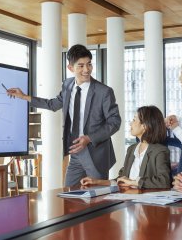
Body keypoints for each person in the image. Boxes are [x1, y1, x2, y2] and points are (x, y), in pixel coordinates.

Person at [7, 44, 121, 187]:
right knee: (69, 195)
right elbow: (53, 104)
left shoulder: (104, 91)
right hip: (75, 153)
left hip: (95, 153)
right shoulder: (67, 86)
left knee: (98, 197)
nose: (87, 70)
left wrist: (89, 138)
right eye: (81, 66)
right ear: (71, 68)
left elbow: (115, 122)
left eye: (89, 64)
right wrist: (24, 97)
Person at [80, 106, 172, 189]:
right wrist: (97, 181)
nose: (130, 124)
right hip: (128, 198)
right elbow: (122, 179)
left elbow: (164, 181)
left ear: (145, 126)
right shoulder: (131, 149)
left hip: (147, 203)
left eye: (134, 120)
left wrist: (134, 182)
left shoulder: (160, 151)